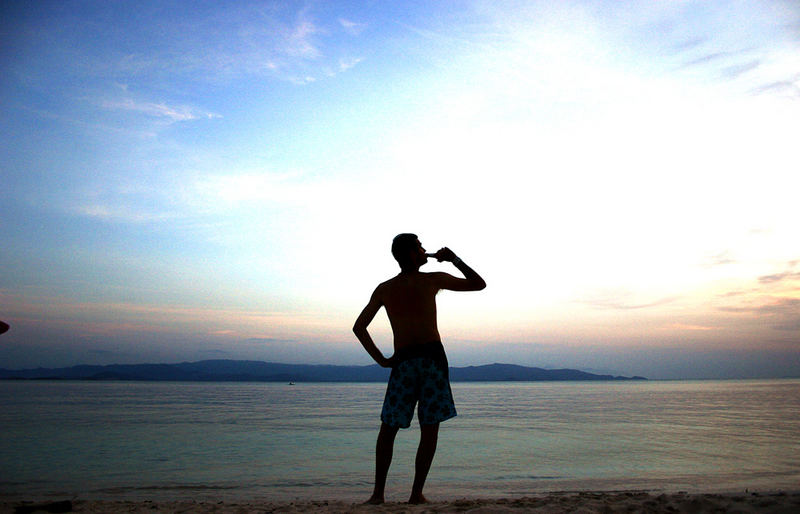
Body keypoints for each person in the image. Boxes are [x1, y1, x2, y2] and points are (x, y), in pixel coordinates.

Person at [353, 233, 486, 504]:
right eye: (421, 247)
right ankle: (413, 494)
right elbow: (478, 284)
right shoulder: (431, 279)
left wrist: (381, 359)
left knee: (389, 429)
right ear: (413, 254)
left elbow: (359, 327)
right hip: (431, 361)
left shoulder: (386, 288)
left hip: (404, 362)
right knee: (427, 429)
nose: (426, 250)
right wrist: (455, 260)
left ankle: (380, 495)